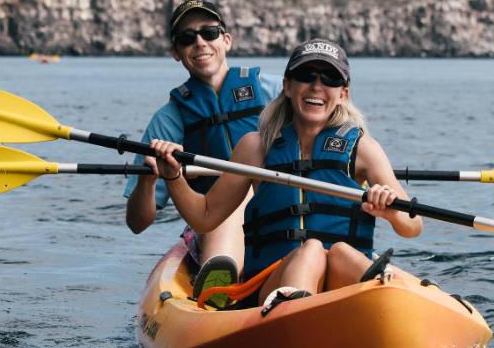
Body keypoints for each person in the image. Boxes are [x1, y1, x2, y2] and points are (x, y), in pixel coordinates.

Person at [147, 38, 422, 309]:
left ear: (343, 94)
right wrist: (173, 176)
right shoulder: (255, 147)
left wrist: (391, 212)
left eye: (330, 79)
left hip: (341, 284)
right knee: (312, 250)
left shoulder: (364, 149)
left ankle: (382, 299)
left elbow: (413, 225)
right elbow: (204, 216)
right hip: (268, 283)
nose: (317, 86)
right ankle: (298, 307)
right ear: (287, 86)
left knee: (339, 252)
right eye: (306, 75)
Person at [124, 0, 283, 302]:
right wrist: (148, 179)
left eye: (208, 33)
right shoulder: (169, 120)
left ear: (226, 40)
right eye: (187, 38)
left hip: (280, 217)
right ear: (176, 52)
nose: (199, 43)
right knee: (235, 192)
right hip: (213, 223)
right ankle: (219, 286)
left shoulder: (277, 92)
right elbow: (137, 223)